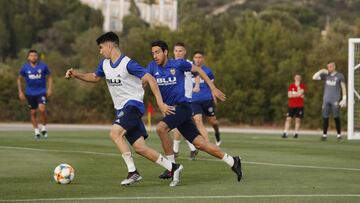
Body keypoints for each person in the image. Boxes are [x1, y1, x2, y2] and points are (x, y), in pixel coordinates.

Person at [65, 32, 183, 187]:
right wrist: (76, 75)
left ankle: (133, 172)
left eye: (101, 48)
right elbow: (94, 77)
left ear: (109, 46)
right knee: (140, 148)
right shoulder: (105, 64)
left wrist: (160, 103)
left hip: (133, 106)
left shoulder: (128, 63)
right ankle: (173, 167)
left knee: (115, 133)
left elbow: (150, 78)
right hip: (122, 109)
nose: (100, 51)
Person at [147, 40, 242, 182]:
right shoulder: (151, 67)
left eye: (158, 52)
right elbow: (144, 79)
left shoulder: (178, 64)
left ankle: (171, 168)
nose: (155, 55)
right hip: (173, 110)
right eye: (153, 53)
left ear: (166, 52)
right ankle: (232, 161)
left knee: (161, 129)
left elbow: (198, 70)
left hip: (182, 107)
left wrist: (213, 88)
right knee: (200, 144)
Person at [171, 42, 199, 160]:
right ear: (173, 52)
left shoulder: (189, 64)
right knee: (180, 125)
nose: (178, 53)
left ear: (185, 52)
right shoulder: (170, 64)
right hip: (175, 99)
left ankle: (176, 150)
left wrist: (197, 85)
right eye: (176, 51)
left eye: (180, 51)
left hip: (185, 99)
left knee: (175, 124)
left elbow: (197, 74)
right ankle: (192, 147)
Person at [17, 49, 53, 139]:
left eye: (35, 55)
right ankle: (36, 131)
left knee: (42, 109)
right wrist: (20, 92)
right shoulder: (25, 68)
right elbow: (19, 79)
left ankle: (44, 128)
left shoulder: (43, 66)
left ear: (37, 57)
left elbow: (49, 78)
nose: (33, 57)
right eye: (31, 55)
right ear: (28, 57)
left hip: (41, 92)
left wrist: (50, 89)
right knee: (33, 112)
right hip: (30, 93)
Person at [191, 51, 222, 146]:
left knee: (213, 121)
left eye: (200, 57)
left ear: (203, 59)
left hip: (207, 100)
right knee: (198, 121)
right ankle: (207, 143)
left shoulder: (208, 71)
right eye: (196, 57)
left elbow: (212, 85)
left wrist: (214, 97)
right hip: (194, 100)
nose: (198, 59)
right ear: (193, 58)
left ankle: (217, 131)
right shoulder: (189, 70)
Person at [312, 62, 347, 141]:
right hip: (326, 100)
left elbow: (343, 87)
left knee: (336, 117)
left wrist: (344, 98)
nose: (329, 68)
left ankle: (339, 135)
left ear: (334, 67)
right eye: (328, 67)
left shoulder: (339, 75)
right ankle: (324, 135)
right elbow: (314, 77)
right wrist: (321, 71)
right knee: (325, 118)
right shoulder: (325, 75)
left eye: (331, 67)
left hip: (335, 100)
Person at [282, 74, 305, 139]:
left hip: (299, 105)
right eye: (296, 77)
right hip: (291, 105)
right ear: (294, 78)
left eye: (298, 77)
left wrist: (298, 87)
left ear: (300, 79)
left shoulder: (302, 86)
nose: (297, 78)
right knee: (288, 118)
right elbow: (289, 95)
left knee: (297, 119)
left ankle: (296, 133)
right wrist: (298, 95)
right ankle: (285, 132)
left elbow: (301, 93)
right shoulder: (291, 86)